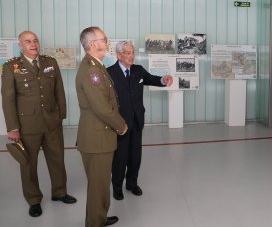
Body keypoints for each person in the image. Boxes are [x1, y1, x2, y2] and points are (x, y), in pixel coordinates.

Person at [1, 31, 76, 217]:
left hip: (52, 122)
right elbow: (8, 99)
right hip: (28, 126)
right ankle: (34, 199)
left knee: (57, 159)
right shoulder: (11, 67)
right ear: (20, 46)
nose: (33, 44)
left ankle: (59, 192)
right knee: (28, 165)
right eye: (28, 42)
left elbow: (59, 89)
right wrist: (13, 127)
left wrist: (61, 115)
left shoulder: (50, 62)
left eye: (35, 41)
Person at [107, 40, 172, 200]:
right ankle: (117, 187)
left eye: (132, 52)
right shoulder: (109, 73)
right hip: (120, 123)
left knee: (135, 156)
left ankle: (132, 183)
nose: (131, 56)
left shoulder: (138, 70)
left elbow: (152, 79)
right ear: (119, 55)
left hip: (137, 121)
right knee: (120, 158)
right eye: (127, 53)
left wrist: (163, 80)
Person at [76, 27, 128, 227]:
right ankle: (95, 222)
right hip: (97, 137)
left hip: (100, 135)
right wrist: (121, 125)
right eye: (104, 39)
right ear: (92, 44)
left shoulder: (96, 65)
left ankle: (99, 217)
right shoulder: (92, 70)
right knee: (98, 185)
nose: (107, 42)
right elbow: (102, 108)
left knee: (101, 183)